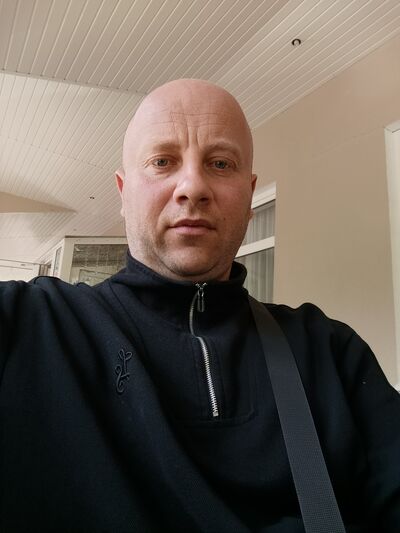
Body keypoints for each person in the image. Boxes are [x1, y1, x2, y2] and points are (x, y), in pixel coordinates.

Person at [0, 79, 399, 533]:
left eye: (220, 163)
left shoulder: (329, 352)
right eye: (162, 162)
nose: (192, 186)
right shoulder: (28, 326)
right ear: (123, 193)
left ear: (250, 196)